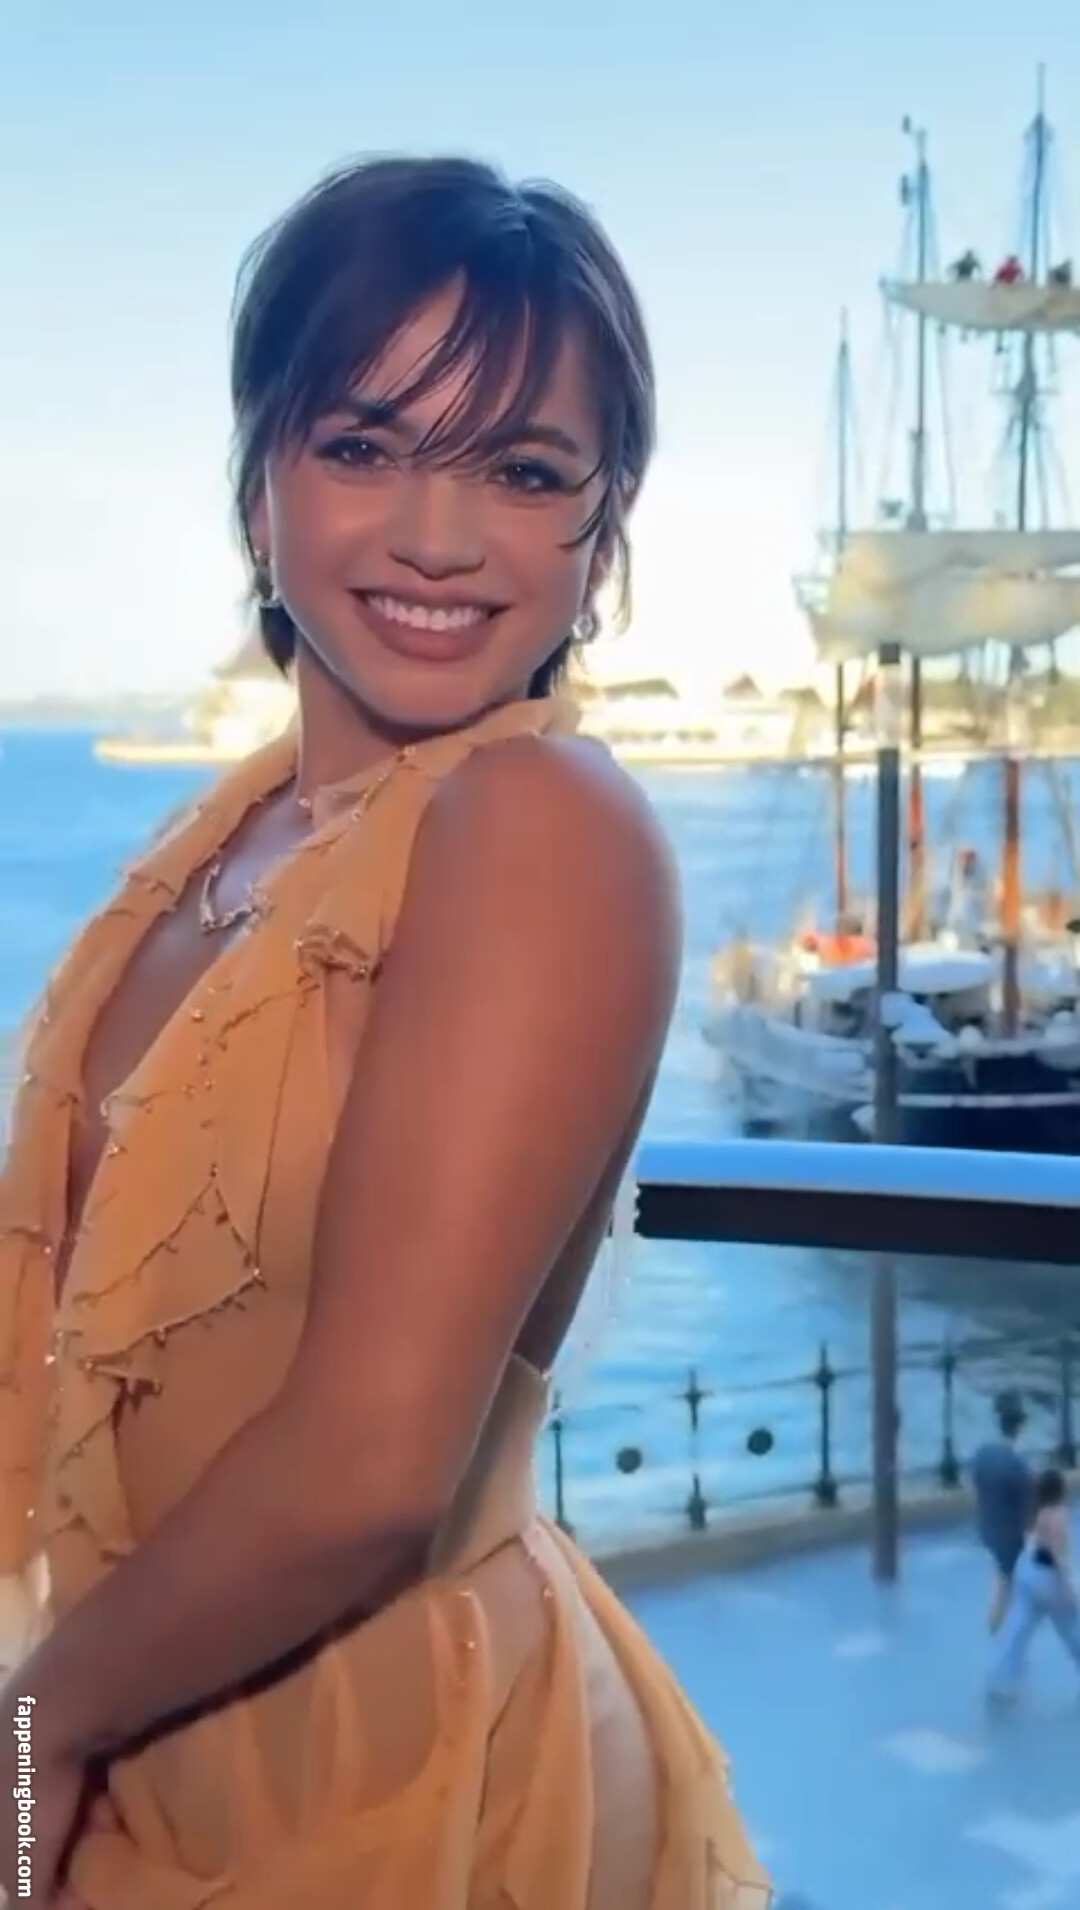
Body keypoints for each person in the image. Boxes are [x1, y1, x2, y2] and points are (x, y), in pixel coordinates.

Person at [0, 157, 770, 1907]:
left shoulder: (539, 829)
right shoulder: (236, 830)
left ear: (602, 530)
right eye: (364, 446)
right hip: (139, 1732)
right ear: (257, 482)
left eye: (523, 471)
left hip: (377, 1792)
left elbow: (368, 1463)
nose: (438, 535)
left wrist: (33, 1732)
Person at [987, 1467, 1080, 1699]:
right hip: (1048, 1579)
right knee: (1073, 1630)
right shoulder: (1057, 1514)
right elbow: (1057, 1556)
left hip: (1028, 1572)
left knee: (1016, 1630)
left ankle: (1002, 1680)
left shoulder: (1037, 1512)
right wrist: (1070, 1588)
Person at [972, 1389, 1033, 1632]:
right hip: (1010, 1538)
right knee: (1007, 1583)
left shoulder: (983, 1455)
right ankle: (999, 1629)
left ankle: (998, 1627)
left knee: (1001, 1580)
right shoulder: (1019, 1467)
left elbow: (976, 1488)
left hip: (988, 1529)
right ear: (1019, 1428)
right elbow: (1028, 1515)